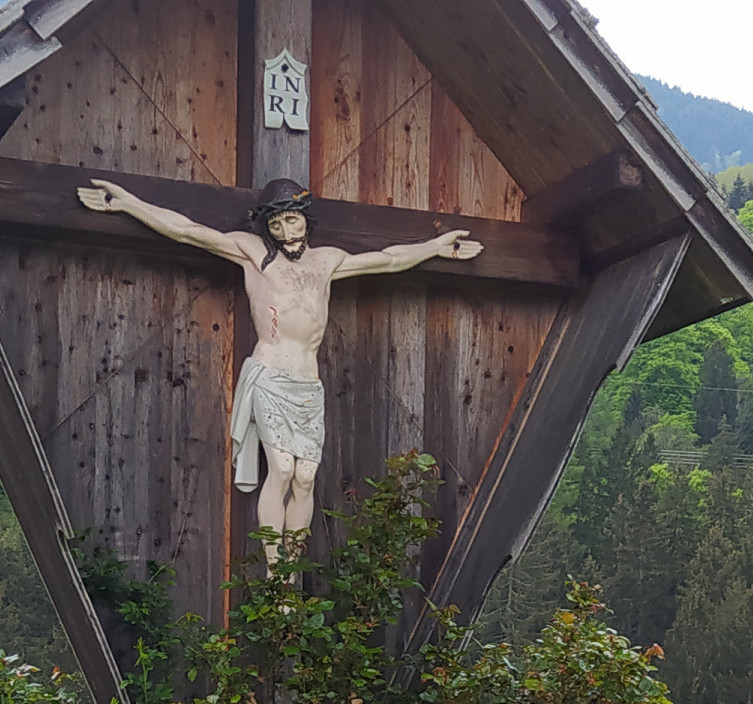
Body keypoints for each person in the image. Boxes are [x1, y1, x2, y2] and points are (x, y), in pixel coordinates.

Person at [73, 176, 483, 536]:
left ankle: (291, 566)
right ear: (266, 226)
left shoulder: (327, 261)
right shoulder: (253, 254)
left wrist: (435, 248)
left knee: (305, 476)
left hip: (308, 383)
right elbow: (187, 231)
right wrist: (130, 204)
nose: (286, 230)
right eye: (276, 223)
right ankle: (275, 573)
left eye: (292, 220)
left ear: (305, 218)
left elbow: (390, 260)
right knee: (282, 469)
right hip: (271, 375)